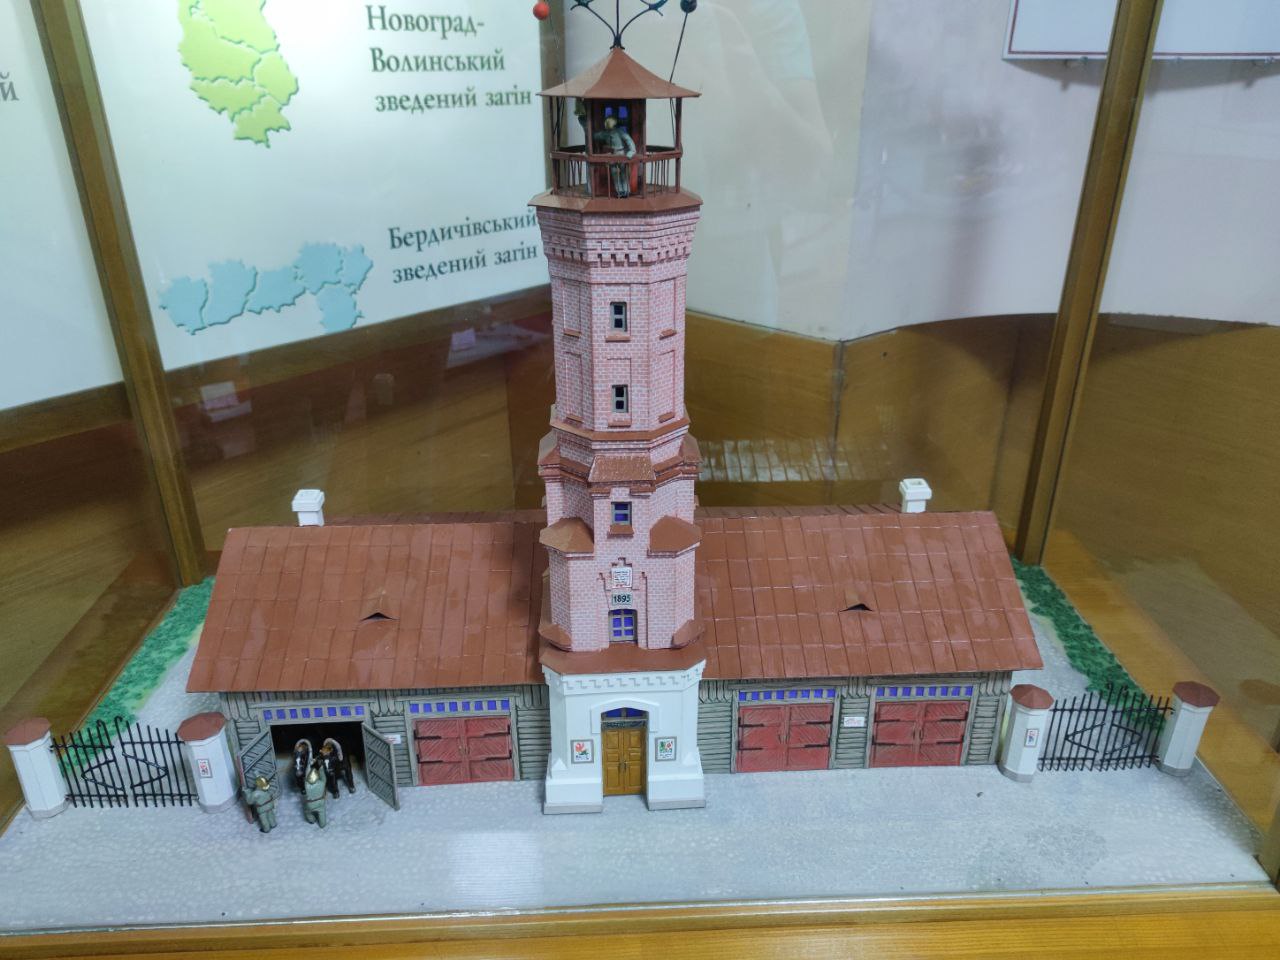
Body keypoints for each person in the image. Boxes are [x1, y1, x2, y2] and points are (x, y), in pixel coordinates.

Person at [592, 115, 636, 197]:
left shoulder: (620, 132)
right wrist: (587, 127)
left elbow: (629, 140)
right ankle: (620, 191)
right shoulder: (605, 133)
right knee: (614, 173)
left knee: (624, 173)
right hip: (612, 155)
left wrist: (631, 151)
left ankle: (626, 190)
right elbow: (595, 136)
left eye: (609, 123)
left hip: (621, 154)